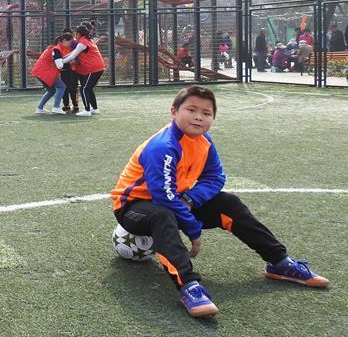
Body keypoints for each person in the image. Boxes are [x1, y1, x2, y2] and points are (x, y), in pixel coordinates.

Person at [111, 85, 329, 318]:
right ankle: (189, 287)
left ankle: (279, 262)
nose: (198, 117)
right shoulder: (163, 146)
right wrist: (193, 231)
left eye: (206, 113)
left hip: (177, 201)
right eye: (191, 110)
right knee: (162, 215)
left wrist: (190, 198)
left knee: (228, 203)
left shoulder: (204, 142)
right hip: (133, 207)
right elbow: (163, 197)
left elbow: (215, 177)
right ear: (173, 112)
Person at [56, 24, 106, 116]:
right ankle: (94, 108)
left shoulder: (82, 42)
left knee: (84, 88)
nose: (75, 35)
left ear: (79, 34)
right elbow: (73, 53)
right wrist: (62, 58)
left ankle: (87, 110)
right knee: (88, 88)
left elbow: (73, 55)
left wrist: (61, 62)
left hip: (94, 68)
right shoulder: (87, 40)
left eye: (76, 33)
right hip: (98, 67)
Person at [32, 32, 72, 114]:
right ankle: (56, 107)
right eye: (70, 42)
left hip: (39, 71)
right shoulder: (56, 49)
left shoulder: (54, 48)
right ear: (64, 40)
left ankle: (39, 108)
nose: (70, 44)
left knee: (51, 90)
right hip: (44, 72)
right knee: (61, 86)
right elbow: (60, 65)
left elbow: (59, 60)